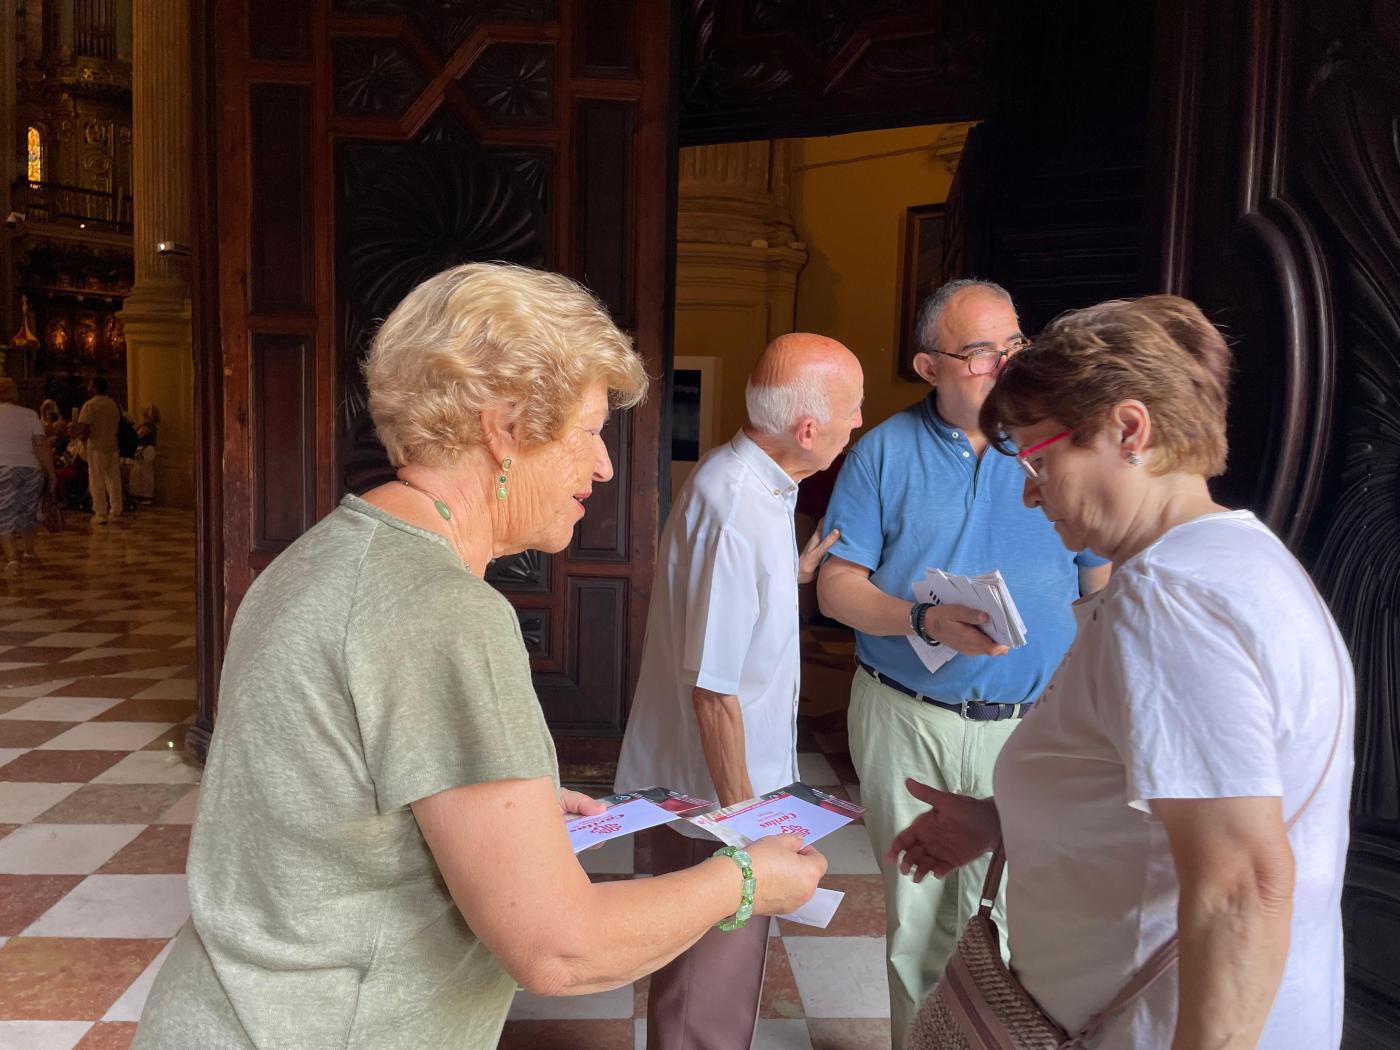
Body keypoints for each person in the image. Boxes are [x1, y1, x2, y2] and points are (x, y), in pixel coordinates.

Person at [132, 264, 827, 1050]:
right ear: (505, 426)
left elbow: (329, 803)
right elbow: (560, 949)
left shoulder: (315, 556)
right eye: (590, 429)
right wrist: (744, 881)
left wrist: (497, 814)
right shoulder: (450, 611)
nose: (603, 466)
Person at [890, 295, 1354, 1048]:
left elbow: (1240, 885)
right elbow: (1170, 812)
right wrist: (1008, 820)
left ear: (1128, 430)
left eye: (1038, 458)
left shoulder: (1171, 600)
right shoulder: (1241, 556)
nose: (1031, 491)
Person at [815, 279, 1110, 1043]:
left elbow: (1098, 577)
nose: (1005, 363)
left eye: (1015, 344)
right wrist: (923, 618)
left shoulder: (1056, 444)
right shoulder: (882, 451)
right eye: (980, 351)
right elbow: (837, 588)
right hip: (907, 716)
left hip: (1032, 726)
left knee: (1016, 920)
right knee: (918, 918)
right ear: (928, 364)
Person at [614, 333, 864, 1049]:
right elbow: (713, 691)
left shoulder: (752, 484)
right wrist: (749, 829)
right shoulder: (736, 506)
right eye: (853, 410)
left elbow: (731, 609)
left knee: (716, 979)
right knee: (706, 997)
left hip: (721, 788)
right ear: (809, 428)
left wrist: (793, 573)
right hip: (715, 800)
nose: (858, 425)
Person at [0, 379, 57, 572]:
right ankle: (29, 552)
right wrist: (51, 472)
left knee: (4, 512)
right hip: (30, 469)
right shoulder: (29, 414)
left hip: (3, 467)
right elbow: (41, 445)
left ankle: (12, 560)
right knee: (28, 511)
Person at [76, 375, 122, 523]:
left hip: (96, 446)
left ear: (95, 388)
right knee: (114, 479)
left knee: (96, 479)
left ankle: (100, 512)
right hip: (113, 445)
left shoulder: (90, 405)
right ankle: (116, 508)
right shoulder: (113, 404)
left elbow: (84, 427)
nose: (88, 388)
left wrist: (82, 442)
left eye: (90, 385)